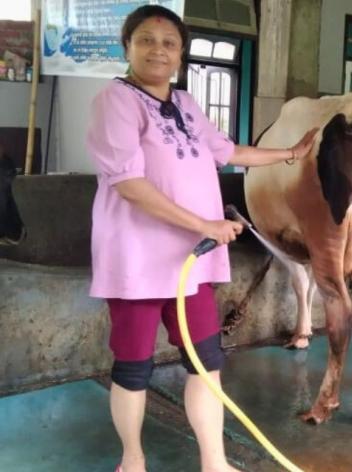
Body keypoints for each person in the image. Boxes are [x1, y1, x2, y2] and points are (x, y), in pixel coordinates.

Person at [86, 6, 318, 472]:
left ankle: (214, 461)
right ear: (126, 45)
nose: (158, 49)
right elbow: (129, 184)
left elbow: (228, 151)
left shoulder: (188, 104)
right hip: (138, 258)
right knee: (134, 367)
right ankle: (132, 460)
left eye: (169, 42)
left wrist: (291, 152)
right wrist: (206, 225)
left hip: (190, 261)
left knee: (206, 361)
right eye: (146, 39)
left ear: (181, 54)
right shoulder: (116, 100)